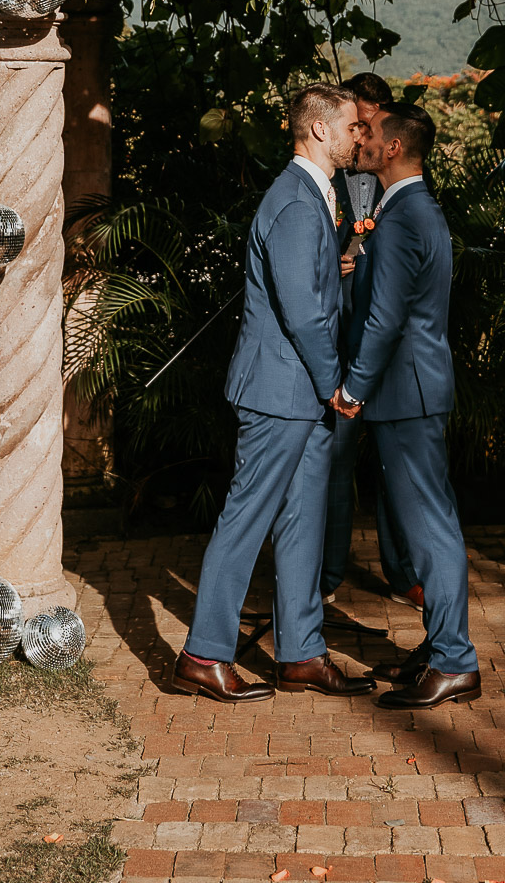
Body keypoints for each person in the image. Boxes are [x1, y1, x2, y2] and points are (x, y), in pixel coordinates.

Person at [173, 84, 374, 702]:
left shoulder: (315, 197)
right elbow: (304, 314)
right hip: (282, 390)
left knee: (302, 525)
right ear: (318, 131)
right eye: (349, 127)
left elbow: (309, 289)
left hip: (300, 392)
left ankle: (301, 655)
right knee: (246, 521)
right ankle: (203, 654)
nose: (358, 137)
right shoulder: (292, 202)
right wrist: (334, 386)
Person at [336, 103, 480, 708]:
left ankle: (454, 660)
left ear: (392, 148)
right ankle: (442, 646)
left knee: (429, 527)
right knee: (431, 520)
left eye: (369, 133)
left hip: (403, 389)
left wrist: (355, 387)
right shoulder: (414, 210)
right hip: (416, 387)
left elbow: (389, 317)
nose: (361, 140)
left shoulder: (399, 218)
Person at [325, 71, 422, 610]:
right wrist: (331, 263)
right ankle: (328, 573)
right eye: (356, 125)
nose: (360, 137)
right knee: (336, 464)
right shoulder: (327, 174)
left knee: (393, 465)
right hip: (338, 334)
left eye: (369, 125)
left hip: (385, 345)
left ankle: (402, 569)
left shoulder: (401, 183)